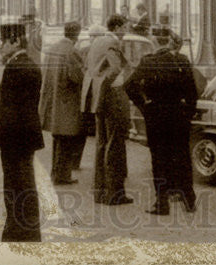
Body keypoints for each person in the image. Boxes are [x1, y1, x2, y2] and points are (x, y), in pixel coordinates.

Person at [124, 27, 198, 215]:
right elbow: (193, 93)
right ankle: (189, 200)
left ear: (155, 41)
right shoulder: (182, 61)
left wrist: (145, 106)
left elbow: (129, 85)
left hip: (156, 116)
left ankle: (162, 203)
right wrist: (187, 113)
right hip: (179, 117)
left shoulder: (148, 62)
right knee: (182, 157)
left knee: (159, 159)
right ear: (170, 41)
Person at [0, 22, 44, 242]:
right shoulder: (29, 65)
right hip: (26, 136)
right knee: (24, 185)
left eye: (4, 42)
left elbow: (7, 109)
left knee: (15, 187)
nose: (1, 47)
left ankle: (18, 233)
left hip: (13, 138)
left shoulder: (14, 68)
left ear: (15, 42)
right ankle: (25, 232)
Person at [83, 14, 133, 206]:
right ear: (118, 27)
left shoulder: (97, 42)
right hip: (112, 100)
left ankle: (100, 192)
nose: (126, 31)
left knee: (101, 144)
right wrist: (120, 83)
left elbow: (89, 67)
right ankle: (115, 194)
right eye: (126, 27)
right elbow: (115, 69)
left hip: (98, 100)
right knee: (115, 146)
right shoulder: (112, 43)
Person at [38, 21, 87, 185]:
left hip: (53, 101)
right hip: (67, 101)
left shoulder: (53, 48)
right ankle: (63, 175)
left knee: (57, 138)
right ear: (77, 34)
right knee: (67, 139)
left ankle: (55, 172)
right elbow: (76, 77)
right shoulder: (71, 51)